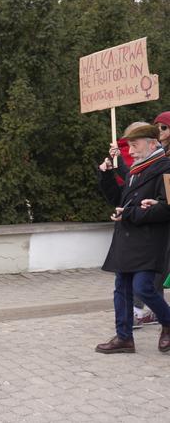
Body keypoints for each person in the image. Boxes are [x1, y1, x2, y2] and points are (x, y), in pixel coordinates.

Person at [95, 123, 170, 354]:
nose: (131, 151)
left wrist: (131, 213)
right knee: (122, 288)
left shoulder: (166, 168)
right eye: (129, 146)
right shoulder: (137, 169)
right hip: (127, 238)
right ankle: (124, 338)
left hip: (149, 240)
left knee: (143, 287)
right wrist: (106, 176)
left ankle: (168, 323)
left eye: (135, 145)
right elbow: (120, 199)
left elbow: (167, 209)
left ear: (152, 143)